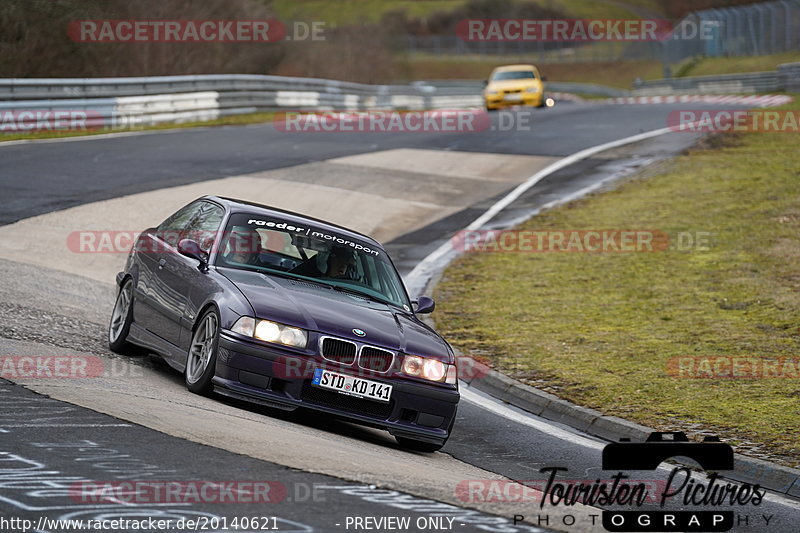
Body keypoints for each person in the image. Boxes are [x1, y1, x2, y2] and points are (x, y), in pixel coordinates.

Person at [291, 245, 356, 279]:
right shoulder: (297, 277)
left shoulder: (349, 285)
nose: (343, 271)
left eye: (347, 264)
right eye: (339, 262)